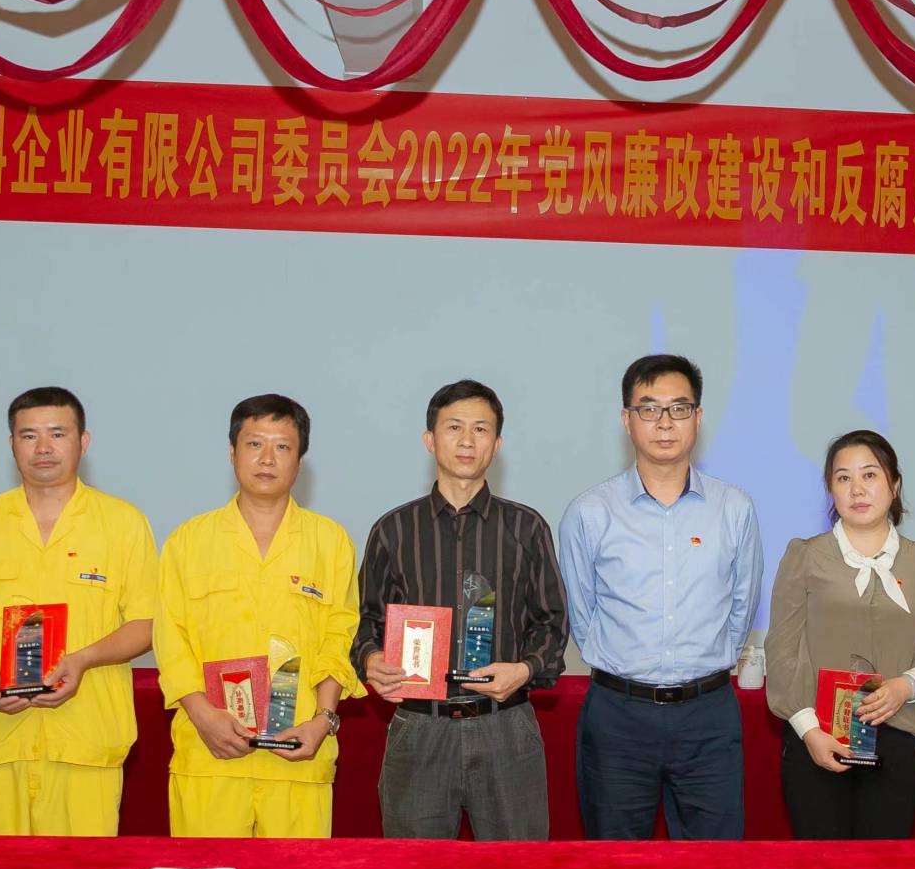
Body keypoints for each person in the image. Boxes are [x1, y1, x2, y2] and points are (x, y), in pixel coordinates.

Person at [0, 386, 156, 836]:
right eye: (28, 435)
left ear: (83, 442)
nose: (43, 447)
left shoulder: (124, 523)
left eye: (57, 434)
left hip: (85, 739)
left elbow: (145, 625)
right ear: (12, 445)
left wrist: (82, 660)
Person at [558, 354, 761, 840]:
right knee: (615, 864)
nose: (665, 422)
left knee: (715, 867)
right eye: (649, 409)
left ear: (698, 418)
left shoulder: (734, 508)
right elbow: (582, 616)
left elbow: (742, 608)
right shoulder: (589, 512)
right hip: (618, 715)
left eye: (679, 408)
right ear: (626, 420)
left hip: (708, 715)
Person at [354, 380, 567, 839]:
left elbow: (551, 624)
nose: (467, 440)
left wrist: (524, 670)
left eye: (481, 429)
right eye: (454, 427)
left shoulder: (527, 528)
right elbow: (366, 622)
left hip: (505, 725)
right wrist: (371, 659)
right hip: (419, 728)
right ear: (430, 439)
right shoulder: (393, 530)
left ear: (497, 444)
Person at [154, 394, 364, 839]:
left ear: (300, 462)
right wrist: (202, 715)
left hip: (298, 754)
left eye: (282, 447)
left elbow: (339, 637)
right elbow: (170, 639)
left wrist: (323, 720)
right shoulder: (188, 542)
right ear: (232, 453)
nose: (267, 458)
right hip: (210, 753)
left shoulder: (331, 543)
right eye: (254, 444)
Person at [767, 429, 915, 839]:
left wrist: (905, 686)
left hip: (897, 737)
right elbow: (781, 653)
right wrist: (809, 732)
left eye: (869, 475)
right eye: (843, 478)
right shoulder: (804, 556)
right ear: (830, 490)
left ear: (895, 485)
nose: (857, 489)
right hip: (815, 737)